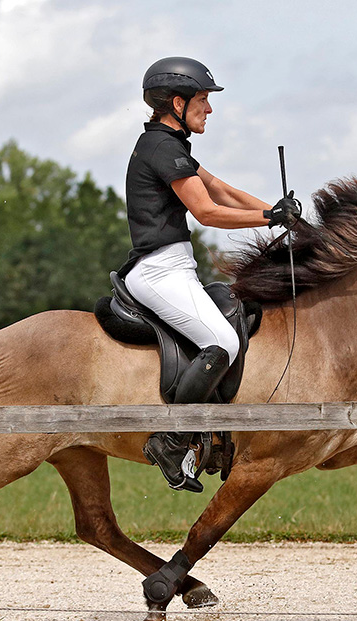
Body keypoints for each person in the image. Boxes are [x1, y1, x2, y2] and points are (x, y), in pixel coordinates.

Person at [119, 56, 301, 492]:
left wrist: (285, 216)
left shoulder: (171, 146)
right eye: (203, 100)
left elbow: (220, 189)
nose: (210, 109)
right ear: (177, 103)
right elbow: (207, 211)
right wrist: (268, 218)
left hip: (176, 267)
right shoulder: (160, 149)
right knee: (222, 341)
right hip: (160, 271)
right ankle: (171, 440)